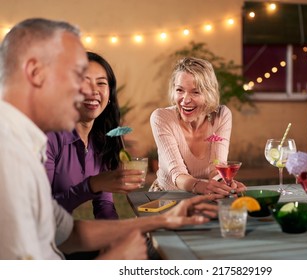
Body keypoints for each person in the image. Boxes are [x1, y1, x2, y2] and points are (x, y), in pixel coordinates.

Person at [0, 18, 217, 260]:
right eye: (77, 75)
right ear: (35, 72)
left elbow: (67, 233)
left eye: (100, 83)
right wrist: (114, 262)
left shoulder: (27, 145)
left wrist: (165, 220)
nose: (87, 91)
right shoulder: (8, 155)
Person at [45, 51, 141, 220]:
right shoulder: (49, 138)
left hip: (65, 235)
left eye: (101, 83)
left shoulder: (101, 141)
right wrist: (91, 185)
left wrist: (114, 237)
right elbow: (40, 212)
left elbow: (104, 206)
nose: (94, 90)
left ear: (109, 95)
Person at [149, 57, 246, 198]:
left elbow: (217, 167)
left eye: (196, 92)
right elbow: (177, 174)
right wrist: (202, 186)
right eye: (180, 90)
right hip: (167, 196)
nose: (186, 99)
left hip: (204, 195)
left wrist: (225, 183)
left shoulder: (221, 115)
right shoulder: (161, 118)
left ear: (209, 93)